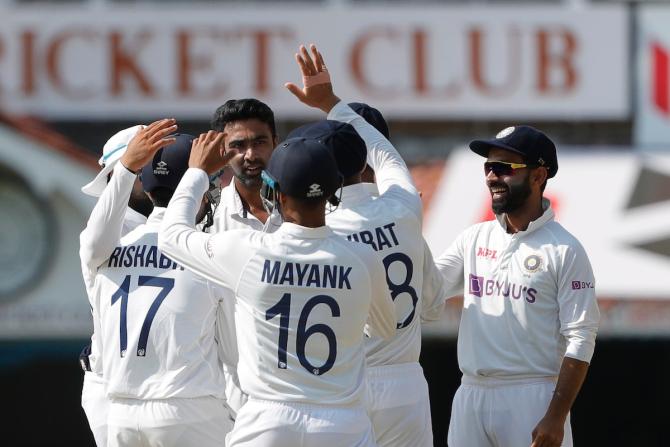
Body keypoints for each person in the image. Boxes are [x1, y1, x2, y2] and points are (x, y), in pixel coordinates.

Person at [158, 129, 396, 446]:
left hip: (267, 424)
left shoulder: (246, 251)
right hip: (342, 425)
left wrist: (197, 172)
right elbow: (384, 328)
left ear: (276, 193)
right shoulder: (363, 258)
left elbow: (170, 237)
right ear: (332, 192)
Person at [286, 50, 445, 444]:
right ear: (365, 160)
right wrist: (331, 103)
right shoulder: (407, 209)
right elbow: (435, 306)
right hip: (406, 384)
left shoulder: (321, 228)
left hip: (343, 385)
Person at [435, 125, 600, 447]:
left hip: (532, 397)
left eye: (504, 168)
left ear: (538, 176)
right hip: (470, 393)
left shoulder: (565, 249)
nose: (492, 177)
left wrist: (556, 417)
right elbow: (425, 290)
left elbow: (581, 337)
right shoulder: (474, 237)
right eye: (488, 167)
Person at [88, 126, 233, 447]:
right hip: (189, 410)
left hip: (121, 411)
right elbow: (234, 353)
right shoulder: (209, 253)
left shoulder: (106, 251)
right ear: (198, 189)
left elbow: (94, 238)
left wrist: (126, 167)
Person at [79, 123, 158, 447]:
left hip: (174, 388)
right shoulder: (108, 229)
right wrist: (128, 166)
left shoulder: (182, 217)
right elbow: (96, 243)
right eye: (147, 166)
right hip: (114, 388)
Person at [209, 98, 280, 419]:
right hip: (235, 389)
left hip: (304, 383)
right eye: (237, 146)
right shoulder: (208, 218)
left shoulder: (307, 212)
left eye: (259, 142)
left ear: (275, 143)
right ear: (222, 152)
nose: (250, 155)